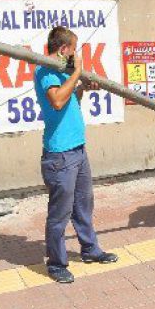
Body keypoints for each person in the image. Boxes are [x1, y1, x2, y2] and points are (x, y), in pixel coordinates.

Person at [34, 26, 118, 284]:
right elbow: (57, 101)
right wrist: (78, 72)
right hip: (60, 155)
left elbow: (71, 100)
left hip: (78, 150)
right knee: (60, 212)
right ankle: (57, 263)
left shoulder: (63, 72)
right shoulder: (46, 71)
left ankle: (90, 250)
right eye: (74, 49)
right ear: (63, 49)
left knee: (84, 204)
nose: (75, 54)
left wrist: (82, 85)